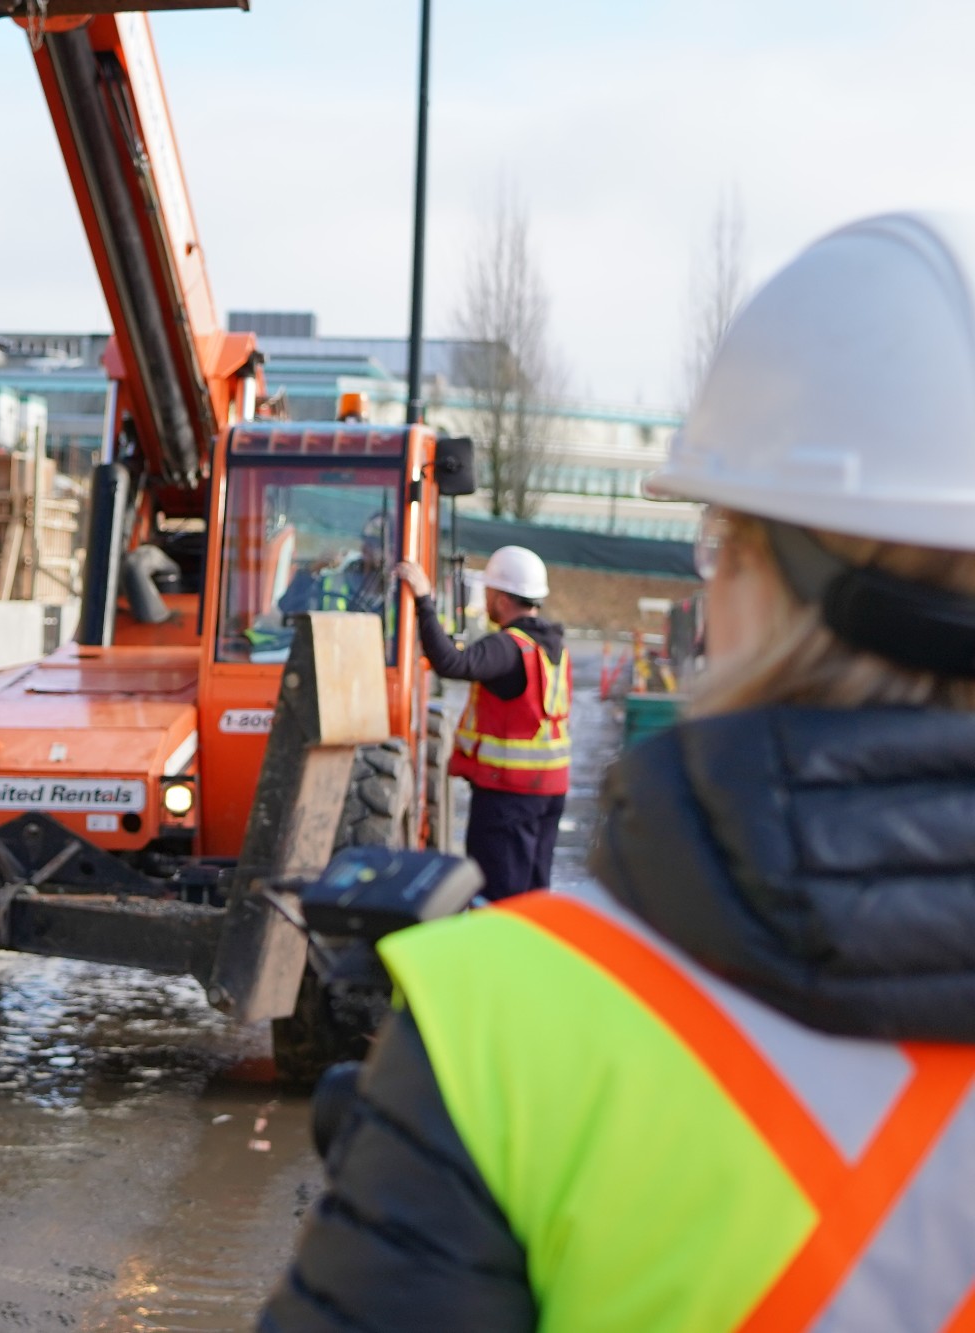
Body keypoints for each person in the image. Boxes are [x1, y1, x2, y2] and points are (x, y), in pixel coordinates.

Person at [259, 212, 975, 1331]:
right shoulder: (547, 647)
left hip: (506, 805)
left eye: (714, 541)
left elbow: (450, 660)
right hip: (531, 800)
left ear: (745, 576)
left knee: (508, 903)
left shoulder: (499, 1029)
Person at [392, 544, 569, 896]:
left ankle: (498, 953)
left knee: (498, 897)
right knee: (532, 895)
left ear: (502, 599)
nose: (486, 601)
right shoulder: (551, 645)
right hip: (548, 791)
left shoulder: (508, 648)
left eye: (488, 593)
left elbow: (451, 663)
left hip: (508, 797)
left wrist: (425, 600)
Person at [280, 512, 392, 616]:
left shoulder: (401, 596)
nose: (368, 547)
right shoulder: (335, 581)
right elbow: (288, 609)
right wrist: (312, 571)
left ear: (394, 551)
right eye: (367, 541)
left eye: (377, 543)